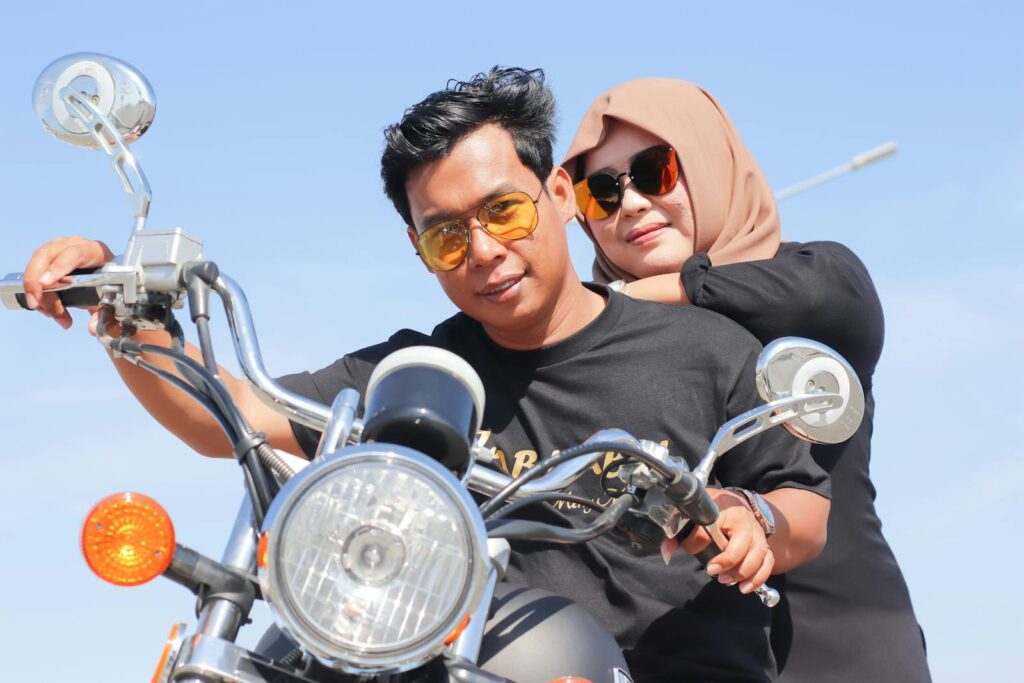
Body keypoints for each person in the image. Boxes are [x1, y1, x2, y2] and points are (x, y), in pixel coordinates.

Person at [20, 68, 830, 681]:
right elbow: (224, 412)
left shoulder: (699, 347)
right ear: (419, 250)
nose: (482, 251)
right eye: (446, 236)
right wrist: (125, 314)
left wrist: (752, 515)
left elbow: (804, 503)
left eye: (503, 211)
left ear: (556, 193)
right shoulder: (416, 374)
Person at [562, 77, 930, 682]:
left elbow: (835, 302)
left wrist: (662, 291)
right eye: (601, 192)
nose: (628, 204)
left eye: (655, 171)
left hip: (839, 649)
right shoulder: (588, 349)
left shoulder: (812, 279)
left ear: (709, 161)